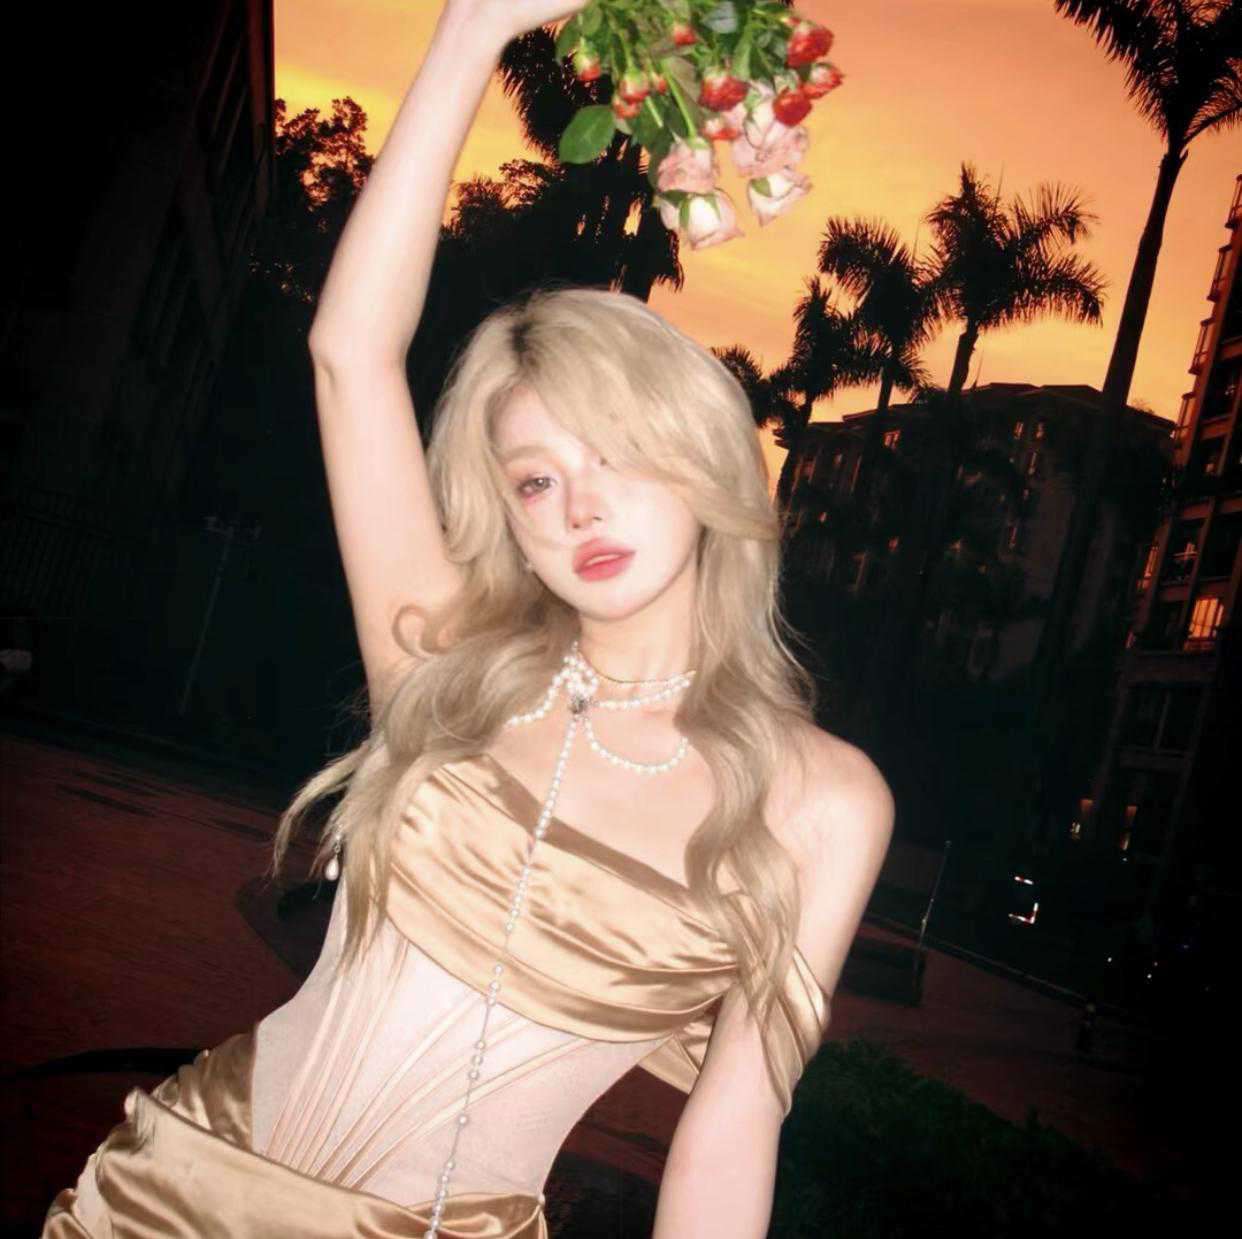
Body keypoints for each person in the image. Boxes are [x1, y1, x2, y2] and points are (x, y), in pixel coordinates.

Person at [42, 2, 894, 1235]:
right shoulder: (447, 663)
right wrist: (472, 30)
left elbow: (734, 1130)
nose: (580, 505)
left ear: (705, 463)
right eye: (536, 481)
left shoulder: (822, 801)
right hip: (168, 1196)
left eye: (616, 453)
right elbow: (350, 351)